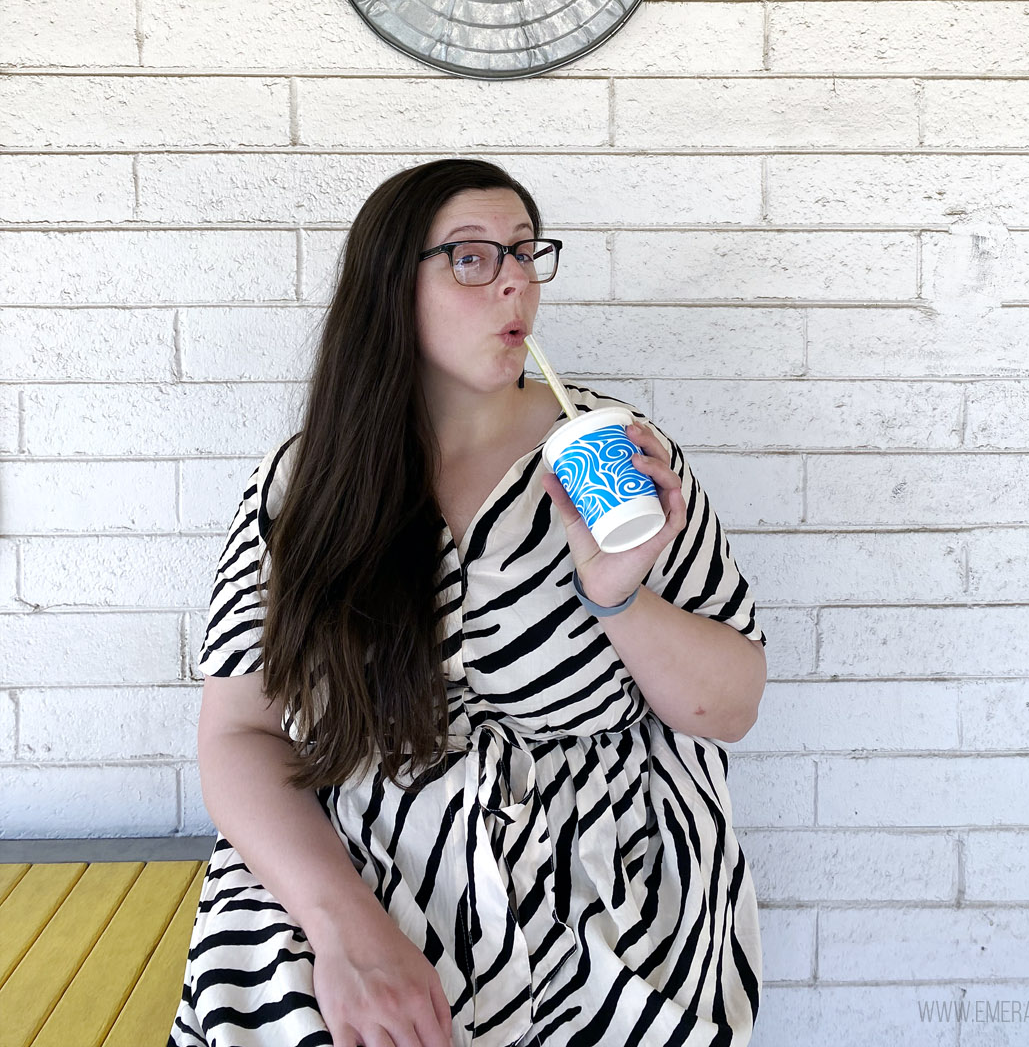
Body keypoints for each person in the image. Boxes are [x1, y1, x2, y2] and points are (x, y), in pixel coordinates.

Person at [170, 156, 769, 1047]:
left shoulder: (620, 455)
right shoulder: (304, 486)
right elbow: (238, 733)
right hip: (351, 855)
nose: (516, 281)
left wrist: (618, 598)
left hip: (602, 862)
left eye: (526, 253)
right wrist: (348, 934)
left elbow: (731, 708)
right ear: (389, 285)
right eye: (471, 257)